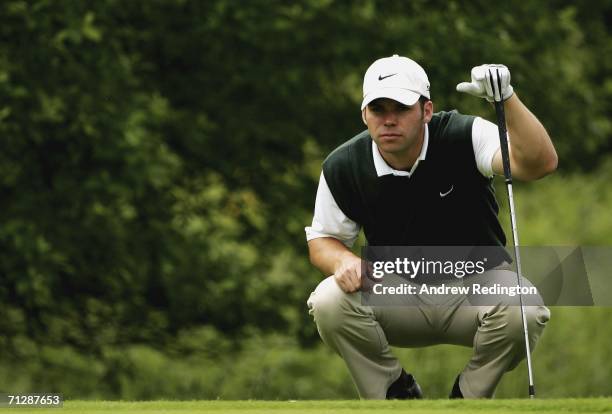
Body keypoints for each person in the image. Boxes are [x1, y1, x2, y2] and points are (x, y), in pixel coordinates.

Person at [305, 54, 557, 399]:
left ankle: (469, 397)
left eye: (401, 108)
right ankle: (394, 393)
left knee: (524, 307)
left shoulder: (463, 134)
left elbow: (539, 163)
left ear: (426, 110)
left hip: (475, 285)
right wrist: (342, 261)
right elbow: (323, 239)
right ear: (364, 115)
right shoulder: (343, 165)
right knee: (328, 302)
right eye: (378, 110)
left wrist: (506, 100)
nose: (389, 120)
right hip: (397, 293)